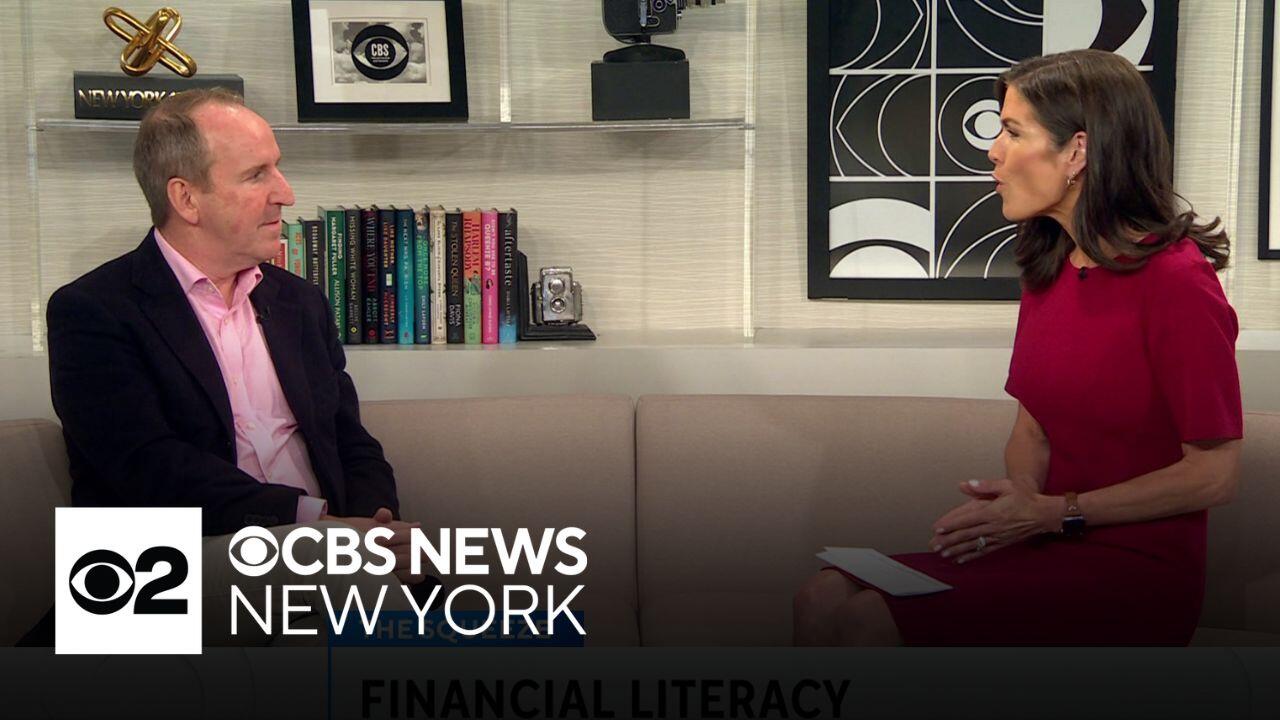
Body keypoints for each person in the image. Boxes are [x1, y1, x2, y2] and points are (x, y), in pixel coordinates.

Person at [793, 49, 1243, 646]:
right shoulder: (1049, 266)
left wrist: (1056, 511)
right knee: (823, 593)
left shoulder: (1177, 281)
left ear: (1077, 152)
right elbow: (1032, 430)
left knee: (868, 619)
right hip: (1046, 542)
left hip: (1136, 572)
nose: (993, 150)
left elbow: (1214, 475)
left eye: (1012, 131)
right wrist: (1022, 502)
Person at [33, 89, 427, 644]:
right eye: (256, 175)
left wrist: (377, 522)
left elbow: (349, 439)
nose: (286, 193)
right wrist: (318, 525)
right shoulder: (95, 310)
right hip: (157, 571)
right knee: (336, 570)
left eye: (278, 169)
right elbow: (148, 469)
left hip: (330, 550)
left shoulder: (299, 302)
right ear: (186, 198)